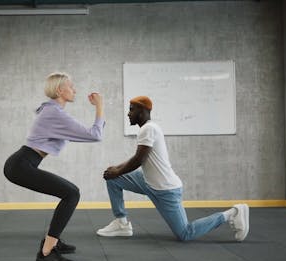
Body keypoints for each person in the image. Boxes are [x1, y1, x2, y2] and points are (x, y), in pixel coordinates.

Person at [97, 96, 249, 242]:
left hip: (165, 190)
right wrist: (116, 169)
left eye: (131, 110)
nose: (128, 114)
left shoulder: (148, 129)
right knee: (113, 178)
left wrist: (118, 170)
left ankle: (232, 213)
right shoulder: (148, 128)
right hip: (147, 181)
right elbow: (139, 157)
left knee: (185, 233)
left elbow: (139, 159)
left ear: (142, 111)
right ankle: (121, 223)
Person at [3, 72, 104, 261]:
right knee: (71, 193)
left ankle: (52, 242)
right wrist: (100, 106)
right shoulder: (54, 113)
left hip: (22, 163)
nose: (75, 89)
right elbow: (95, 135)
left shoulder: (52, 110)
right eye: (71, 86)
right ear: (60, 90)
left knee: (69, 193)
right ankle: (47, 253)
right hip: (21, 165)